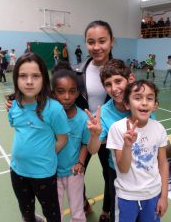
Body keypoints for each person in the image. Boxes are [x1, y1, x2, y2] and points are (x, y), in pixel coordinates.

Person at [85, 59, 156, 222]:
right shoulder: (105, 113)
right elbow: (93, 150)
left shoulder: (143, 104)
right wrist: (95, 135)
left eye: (118, 81)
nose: (114, 89)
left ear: (130, 79)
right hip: (117, 173)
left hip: (144, 169)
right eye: (108, 84)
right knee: (121, 213)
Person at [7, 53, 69, 222]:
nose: (29, 81)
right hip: (17, 171)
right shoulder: (14, 106)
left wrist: (46, 153)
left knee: (52, 213)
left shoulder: (54, 109)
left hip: (43, 173)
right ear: (16, 79)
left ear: (43, 79)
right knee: (26, 211)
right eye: (23, 76)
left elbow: (62, 139)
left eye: (35, 76)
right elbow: (18, 129)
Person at [107, 80, 169, 222]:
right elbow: (123, 168)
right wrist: (127, 145)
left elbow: (163, 164)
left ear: (155, 105)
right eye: (138, 97)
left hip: (153, 194)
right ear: (127, 104)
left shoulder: (159, 128)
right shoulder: (117, 129)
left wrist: (164, 197)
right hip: (127, 196)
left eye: (149, 98)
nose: (144, 102)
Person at [72, 20, 114, 222]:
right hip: (82, 137)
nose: (96, 47)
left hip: (109, 136)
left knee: (110, 176)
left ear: (112, 42)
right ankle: (83, 203)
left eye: (102, 41)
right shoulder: (76, 71)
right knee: (76, 175)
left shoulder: (120, 72)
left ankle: (106, 210)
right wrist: (18, 101)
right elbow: (58, 97)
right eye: (91, 42)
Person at [52, 64, 90, 222]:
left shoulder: (83, 118)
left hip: (74, 172)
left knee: (77, 211)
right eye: (61, 92)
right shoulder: (49, 116)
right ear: (53, 93)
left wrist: (81, 162)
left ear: (77, 93)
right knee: (55, 211)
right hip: (51, 172)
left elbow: (85, 144)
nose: (66, 97)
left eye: (71, 91)